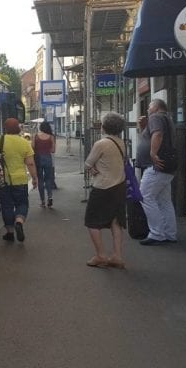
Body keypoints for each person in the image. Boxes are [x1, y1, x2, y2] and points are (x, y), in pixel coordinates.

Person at [83, 112, 127, 268]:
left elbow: (88, 163)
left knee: (92, 221)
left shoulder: (101, 144)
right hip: (119, 185)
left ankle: (101, 255)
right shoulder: (121, 143)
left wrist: (92, 168)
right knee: (116, 221)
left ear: (104, 127)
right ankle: (117, 256)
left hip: (103, 186)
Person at [0, 118, 38, 242]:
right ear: (18, 128)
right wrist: (34, 178)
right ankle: (19, 222)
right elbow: (30, 163)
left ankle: (9, 232)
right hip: (20, 180)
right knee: (22, 204)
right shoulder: (24, 142)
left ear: (5, 128)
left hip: (3, 180)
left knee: (6, 206)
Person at [136, 98, 178, 245]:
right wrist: (143, 127)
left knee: (145, 196)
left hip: (155, 166)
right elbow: (152, 135)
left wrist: (153, 153)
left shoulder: (156, 117)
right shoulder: (167, 118)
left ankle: (156, 234)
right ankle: (170, 233)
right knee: (163, 201)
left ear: (156, 107)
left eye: (149, 106)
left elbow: (158, 134)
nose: (148, 109)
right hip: (167, 166)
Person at [32, 121, 56, 208]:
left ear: (41, 127)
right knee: (48, 179)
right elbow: (53, 150)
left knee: (40, 180)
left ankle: (42, 201)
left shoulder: (35, 136)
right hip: (48, 159)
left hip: (38, 159)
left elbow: (32, 147)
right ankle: (50, 197)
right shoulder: (51, 137)